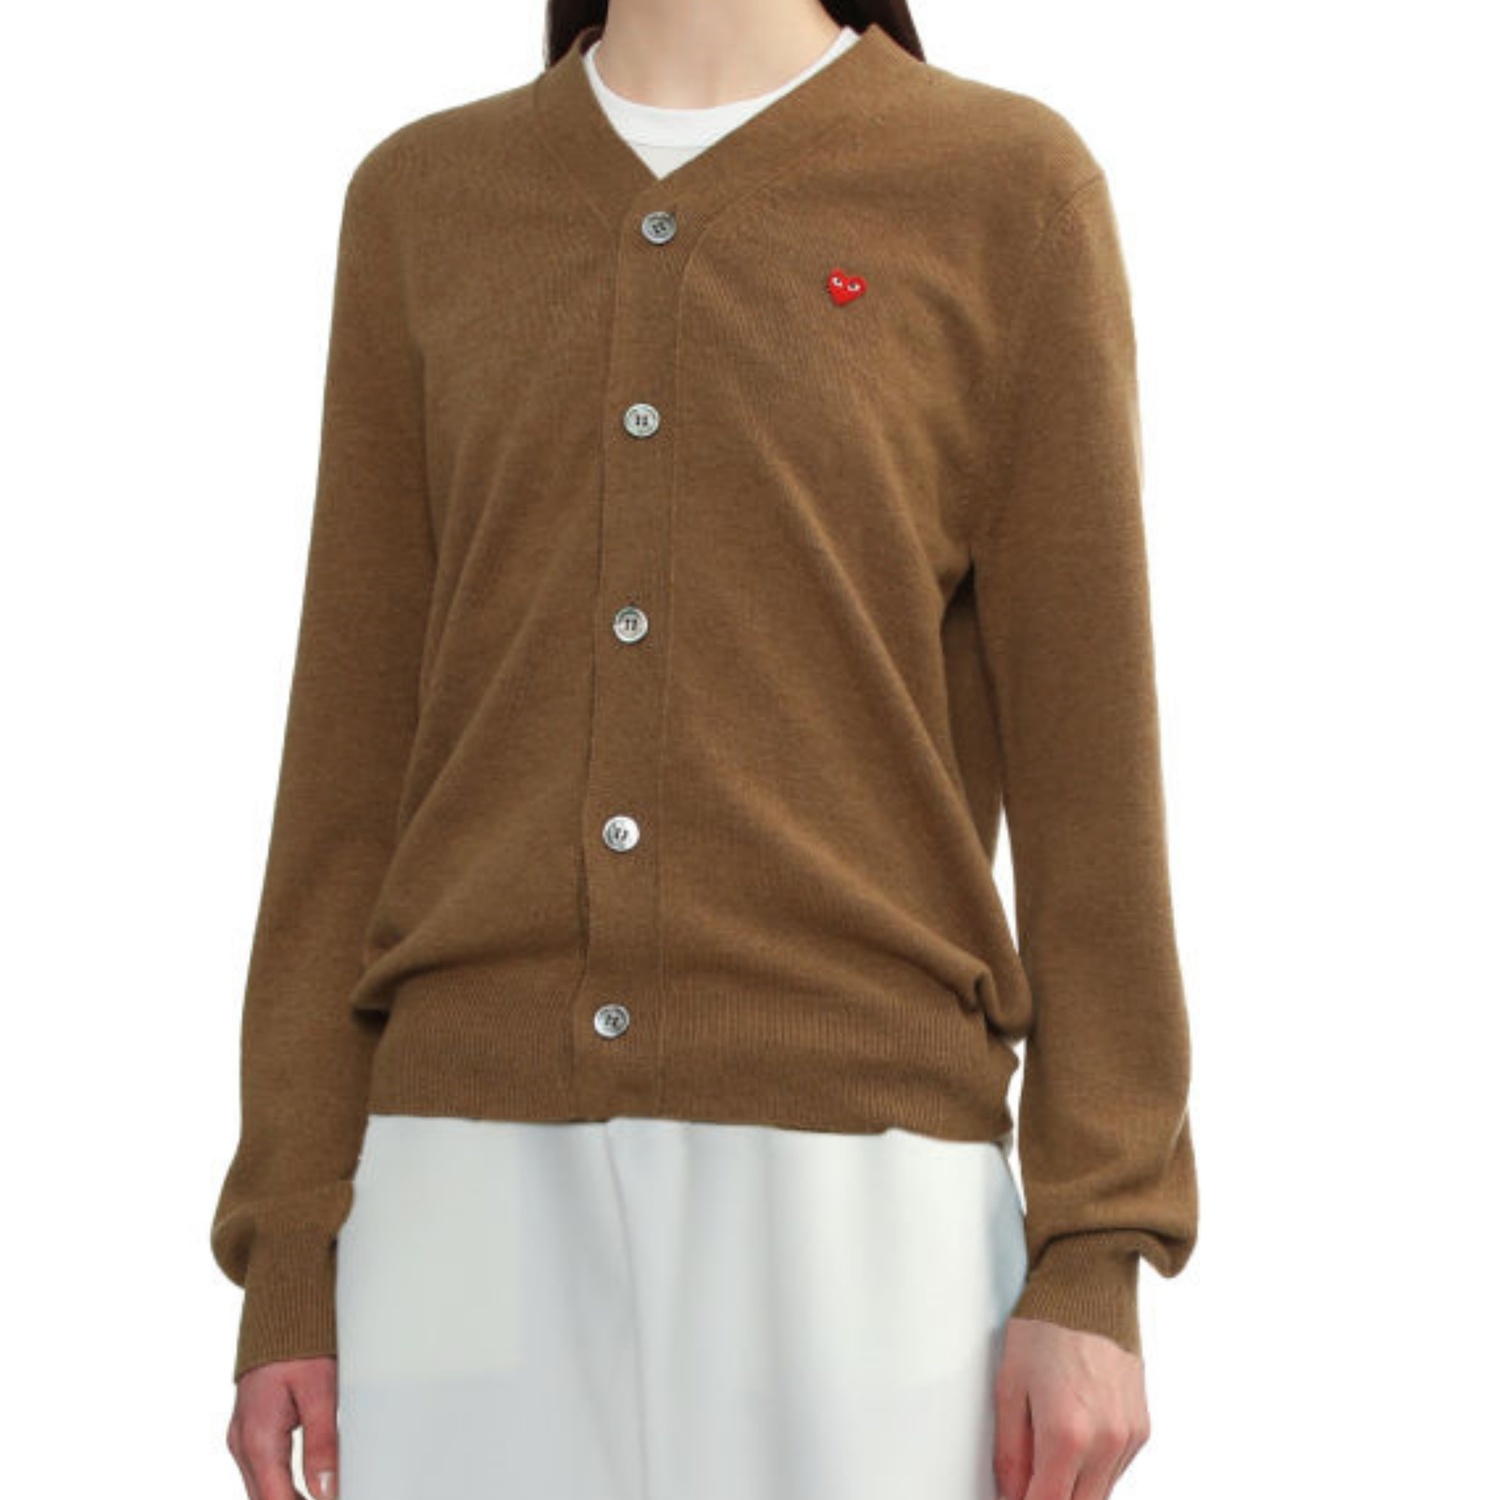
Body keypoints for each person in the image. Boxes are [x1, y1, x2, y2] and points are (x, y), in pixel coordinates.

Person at [210, 2, 1200, 1497]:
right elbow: (347, 766)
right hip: (457, 1184)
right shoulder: (424, 201)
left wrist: (1096, 1244)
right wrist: (291, 1239)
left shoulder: (1005, 188)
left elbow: (1092, 774)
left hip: (861, 1198)